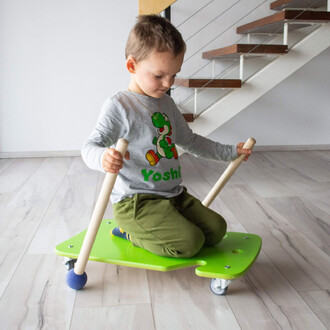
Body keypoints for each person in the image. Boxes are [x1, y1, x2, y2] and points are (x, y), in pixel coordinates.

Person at [81, 15, 252, 258]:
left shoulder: (167, 104)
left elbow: (190, 141)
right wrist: (103, 158)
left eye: (174, 74)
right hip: (136, 203)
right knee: (189, 243)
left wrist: (230, 152)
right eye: (159, 75)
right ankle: (130, 232)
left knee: (216, 231)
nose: (168, 83)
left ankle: (159, 227)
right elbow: (89, 146)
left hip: (173, 194)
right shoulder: (119, 106)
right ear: (132, 66)